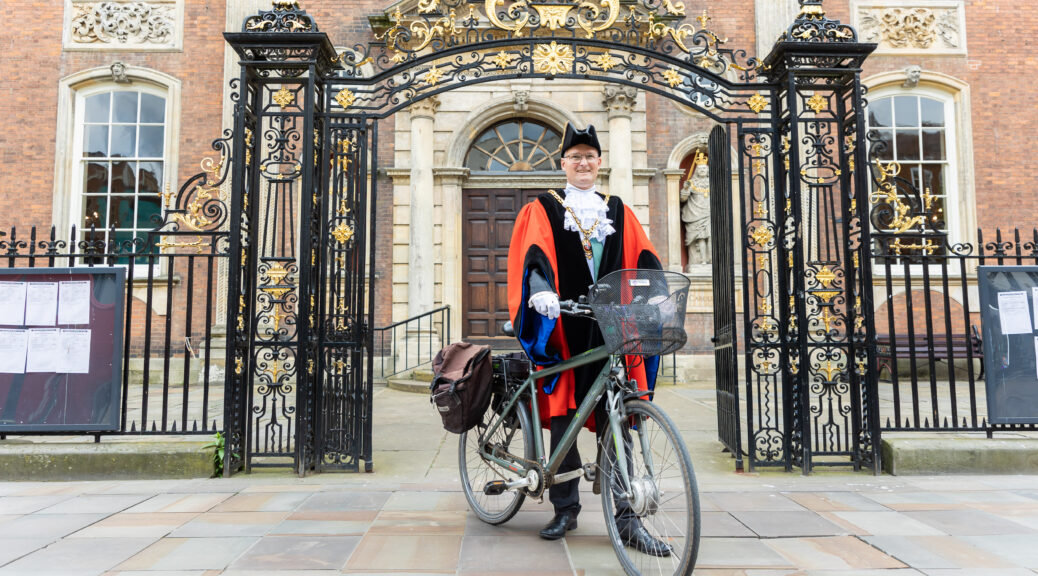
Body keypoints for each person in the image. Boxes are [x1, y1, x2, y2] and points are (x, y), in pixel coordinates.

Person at [506, 123, 671, 556]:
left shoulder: (616, 209)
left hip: (612, 327)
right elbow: (534, 254)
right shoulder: (543, 207)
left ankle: (626, 517)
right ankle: (565, 507)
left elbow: (643, 255)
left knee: (619, 421)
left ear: (599, 163)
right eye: (575, 156)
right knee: (565, 419)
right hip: (565, 325)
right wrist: (540, 289)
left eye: (590, 156)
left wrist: (655, 296)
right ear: (562, 163)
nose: (583, 162)